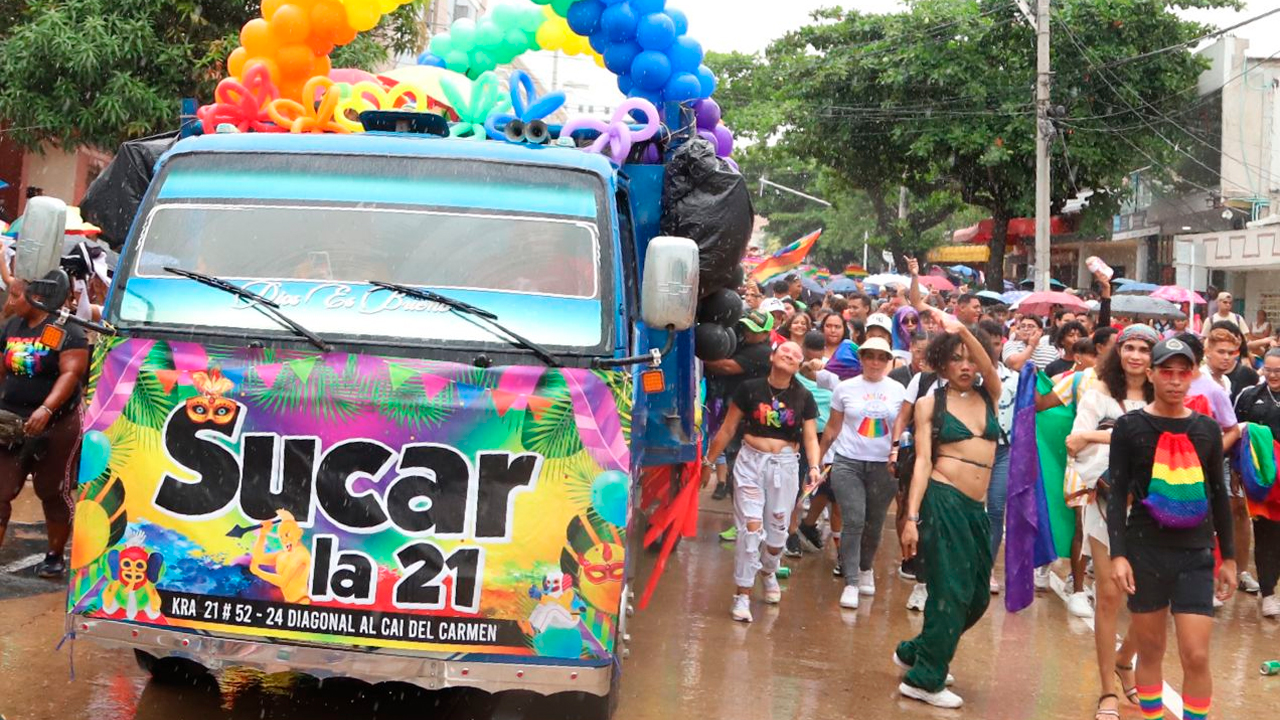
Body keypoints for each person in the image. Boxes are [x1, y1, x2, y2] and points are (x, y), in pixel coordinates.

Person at [1107, 336, 1236, 720]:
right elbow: (1117, 496)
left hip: (1195, 553)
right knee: (1151, 650)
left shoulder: (1207, 430)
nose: (1175, 381)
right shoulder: (1130, 427)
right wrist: (1118, 555)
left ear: (1193, 376)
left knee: (1196, 654)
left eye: (1183, 373)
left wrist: (1228, 557)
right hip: (1145, 551)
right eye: (1167, 372)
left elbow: (1218, 494)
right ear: (1151, 374)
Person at [895, 310, 1002, 709]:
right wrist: (911, 517)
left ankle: (918, 651)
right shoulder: (928, 403)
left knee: (976, 597)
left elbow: (990, 366)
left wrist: (964, 333)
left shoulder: (989, 393)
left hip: (977, 509)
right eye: (956, 357)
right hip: (943, 499)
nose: (965, 365)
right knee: (950, 591)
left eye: (970, 358)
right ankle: (924, 679)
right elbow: (923, 461)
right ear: (942, 361)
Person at [1068, 324, 1158, 719]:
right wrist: (1128, 435)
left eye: (1145, 349)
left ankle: (1126, 660)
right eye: (1130, 348)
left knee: (1154, 598)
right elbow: (1074, 442)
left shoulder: (1166, 397)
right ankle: (1107, 689)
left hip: (1155, 508)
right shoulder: (1097, 394)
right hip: (1106, 504)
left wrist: (1105, 434)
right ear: (1118, 353)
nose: (1136, 356)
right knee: (1108, 596)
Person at [701, 341, 821, 623]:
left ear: (798, 364)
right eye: (784, 351)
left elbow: (811, 437)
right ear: (772, 357)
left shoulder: (804, 396)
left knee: (777, 536)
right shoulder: (749, 389)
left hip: (786, 468)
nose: (788, 356)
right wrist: (708, 462)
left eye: (794, 355)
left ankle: (768, 571)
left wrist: (814, 466)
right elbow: (728, 428)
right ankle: (741, 594)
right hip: (750, 464)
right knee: (751, 529)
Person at [0, 278, 91, 577]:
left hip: (58, 423)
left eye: (15, 296)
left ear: (37, 299)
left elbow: (71, 373)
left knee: (51, 490)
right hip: (13, 422)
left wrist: (47, 408)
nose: (9, 302)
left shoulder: (67, 332)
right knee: (1, 489)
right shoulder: (12, 328)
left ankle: (54, 556)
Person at [819, 337, 906, 609]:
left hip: (884, 465)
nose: (875, 363)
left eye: (882, 357)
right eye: (870, 356)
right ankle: (852, 581)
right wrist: (818, 461)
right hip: (848, 462)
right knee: (854, 519)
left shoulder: (898, 390)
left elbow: (902, 429)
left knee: (874, 522)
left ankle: (866, 567)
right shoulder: (844, 388)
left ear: (888, 361)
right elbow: (832, 428)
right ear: (862, 359)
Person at [704, 310, 777, 501]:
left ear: (766, 333)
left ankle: (745, 515)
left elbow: (726, 366)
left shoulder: (762, 352)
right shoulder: (745, 342)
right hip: (736, 405)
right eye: (747, 328)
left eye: (755, 330)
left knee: (740, 463)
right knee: (733, 458)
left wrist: (699, 356)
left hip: (750, 414)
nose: (749, 333)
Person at [1233, 347, 1280, 617]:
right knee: (1265, 534)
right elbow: (1237, 435)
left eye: (1278, 371)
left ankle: (1271, 582)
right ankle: (1269, 591)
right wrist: (1238, 472)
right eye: (1269, 370)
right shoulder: (1251, 396)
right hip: (1263, 478)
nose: (1273, 376)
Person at [786, 331, 839, 560]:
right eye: (811, 348)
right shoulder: (796, 368)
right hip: (801, 434)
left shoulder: (834, 369)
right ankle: (791, 534)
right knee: (796, 488)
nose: (816, 353)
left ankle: (805, 527)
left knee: (828, 488)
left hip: (828, 436)